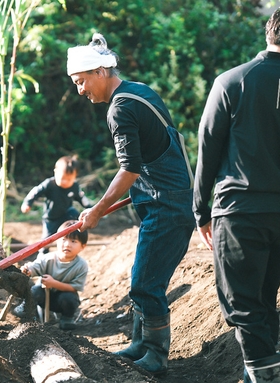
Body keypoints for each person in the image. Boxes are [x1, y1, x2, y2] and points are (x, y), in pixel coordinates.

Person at [193, 7, 280, 383]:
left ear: (268, 34)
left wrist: (200, 210)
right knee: (264, 301)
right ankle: (266, 370)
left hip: (236, 213)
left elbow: (208, 148)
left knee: (241, 306)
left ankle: (270, 376)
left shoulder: (230, 81)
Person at [67, 33, 194, 375]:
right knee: (145, 275)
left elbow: (130, 168)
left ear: (101, 72)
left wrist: (96, 209)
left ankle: (156, 355)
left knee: (145, 282)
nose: (81, 90)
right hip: (168, 198)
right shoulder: (139, 90)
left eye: (82, 82)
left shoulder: (121, 110)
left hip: (167, 206)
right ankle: (140, 342)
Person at [19, 220, 89, 330]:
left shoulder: (81, 265)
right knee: (35, 291)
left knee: (70, 298)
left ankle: (67, 318)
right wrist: (28, 270)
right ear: (56, 241)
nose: (67, 244)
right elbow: (35, 267)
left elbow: (74, 288)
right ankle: (27, 310)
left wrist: (54, 283)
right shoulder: (48, 258)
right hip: (43, 297)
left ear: (83, 246)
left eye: (73, 241)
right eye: (63, 239)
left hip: (62, 301)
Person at [21, 154, 93, 255]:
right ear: (55, 172)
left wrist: (92, 209)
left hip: (67, 215)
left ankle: (76, 244)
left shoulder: (74, 186)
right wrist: (27, 203)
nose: (65, 182)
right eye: (63, 178)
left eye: (69, 179)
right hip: (51, 218)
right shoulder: (49, 184)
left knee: (75, 214)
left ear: (75, 177)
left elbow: (82, 198)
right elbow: (35, 192)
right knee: (46, 240)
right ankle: (42, 255)